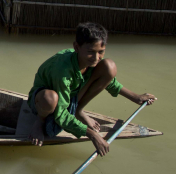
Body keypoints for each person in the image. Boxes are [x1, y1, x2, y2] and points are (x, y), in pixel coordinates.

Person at [29, 22, 156, 155]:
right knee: (50, 99)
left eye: (101, 52)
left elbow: (110, 81)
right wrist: (92, 134)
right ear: (76, 47)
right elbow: (60, 114)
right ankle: (40, 120)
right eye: (90, 52)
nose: (96, 58)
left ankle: (78, 110)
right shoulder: (63, 70)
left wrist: (136, 97)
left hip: (72, 95)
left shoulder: (90, 60)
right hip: (43, 101)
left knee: (109, 66)